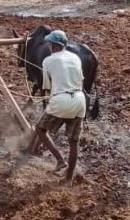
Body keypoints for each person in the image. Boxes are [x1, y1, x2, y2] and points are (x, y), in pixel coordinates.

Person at [27, 30, 87, 184]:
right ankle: (68, 178)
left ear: (53, 45)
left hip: (61, 100)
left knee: (40, 129)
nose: (47, 45)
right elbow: (80, 79)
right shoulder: (75, 58)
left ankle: (60, 160)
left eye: (48, 43)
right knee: (74, 142)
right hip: (80, 100)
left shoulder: (48, 60)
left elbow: (46, 86)